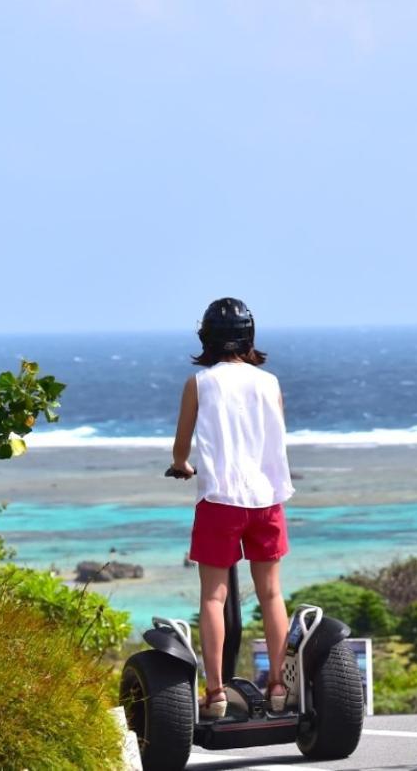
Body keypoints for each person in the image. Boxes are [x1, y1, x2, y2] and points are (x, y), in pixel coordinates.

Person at [169, 297, 294, 719]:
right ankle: (278, 685)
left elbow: (182, 443)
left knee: (213, 598)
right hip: (267, 500)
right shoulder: (270, 382)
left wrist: (182, 465)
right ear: (249, 336)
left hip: (221, 501)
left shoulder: (200, 384)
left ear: (207, 337)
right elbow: (275, 432)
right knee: (272, 593)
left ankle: (217, 691)